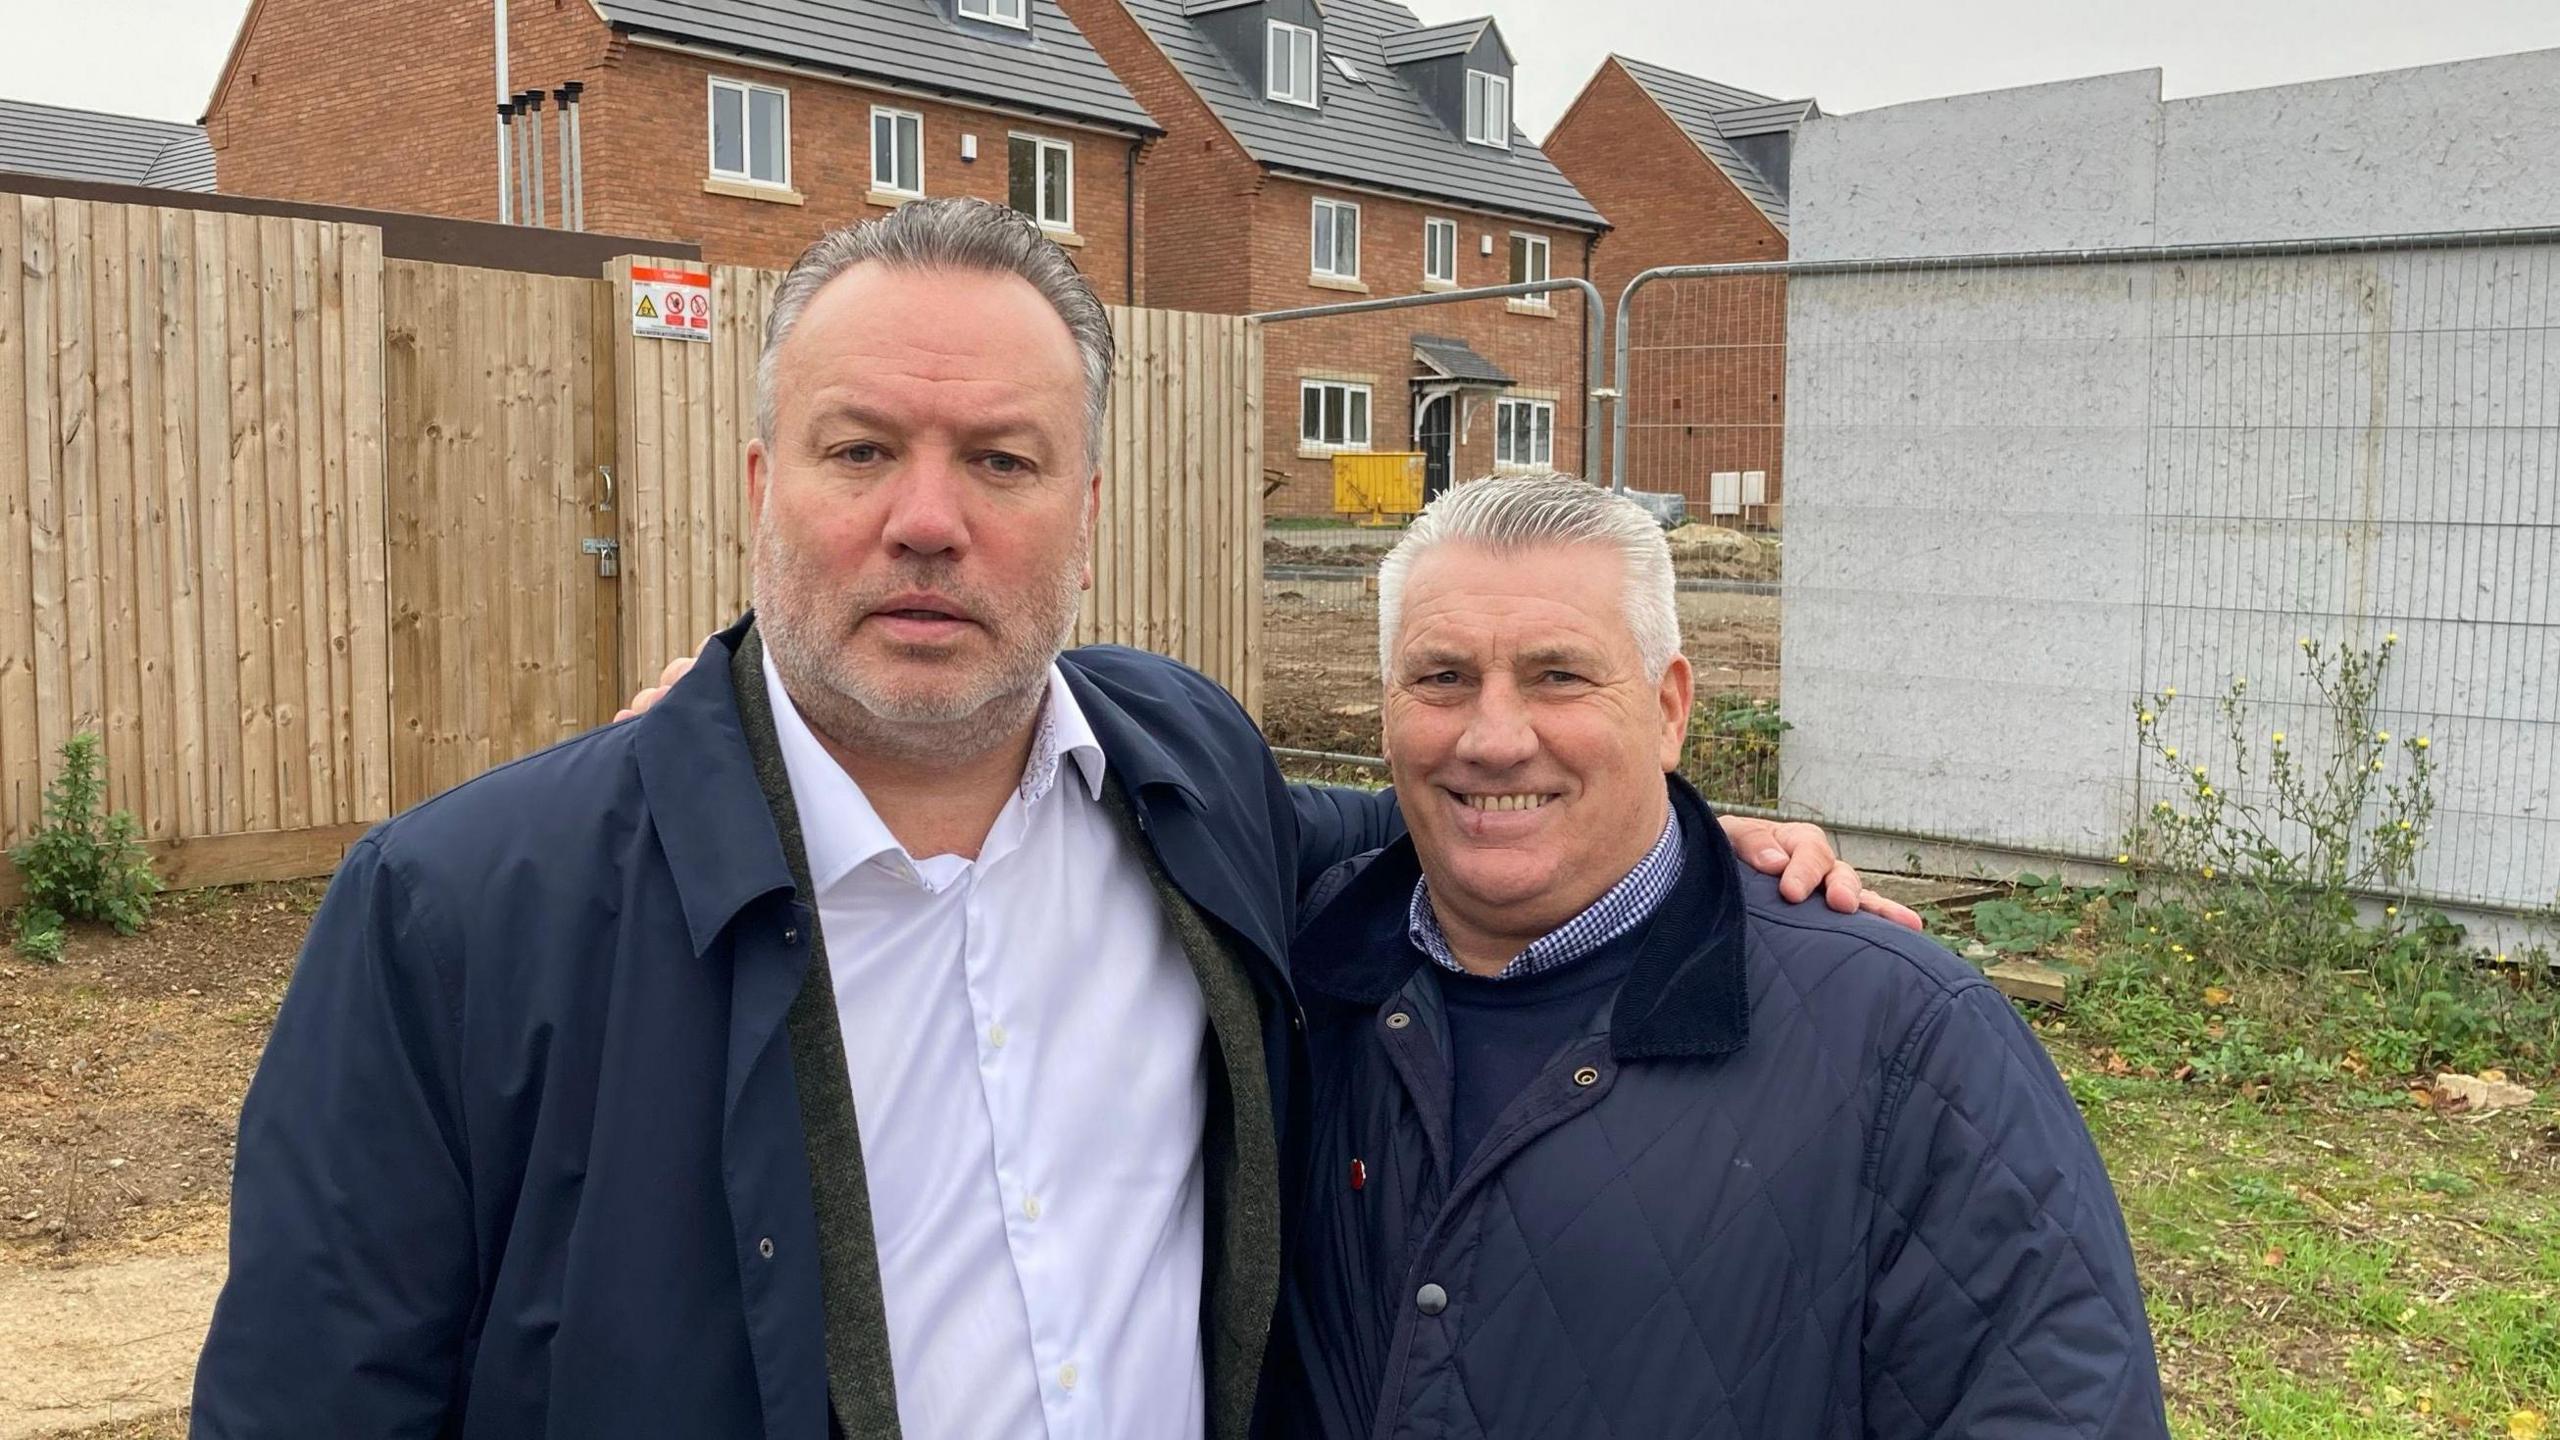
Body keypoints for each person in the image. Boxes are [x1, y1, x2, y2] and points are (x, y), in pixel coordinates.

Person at [190, 200, 1899, 1439]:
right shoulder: (463, 912)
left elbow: (1460, 819)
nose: (928, 523)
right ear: (758, 482)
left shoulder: (1196, 788)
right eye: (861, 452)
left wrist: (1691, 840)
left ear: (1084, 504)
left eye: (1001, 463)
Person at [1281, 474, 2169, 1438]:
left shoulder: (1905, 1041)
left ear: (1669, 711)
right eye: (1443, 677)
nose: (1494, 738)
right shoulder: (1291, 979)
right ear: (1387, 710)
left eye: (1560, 676)